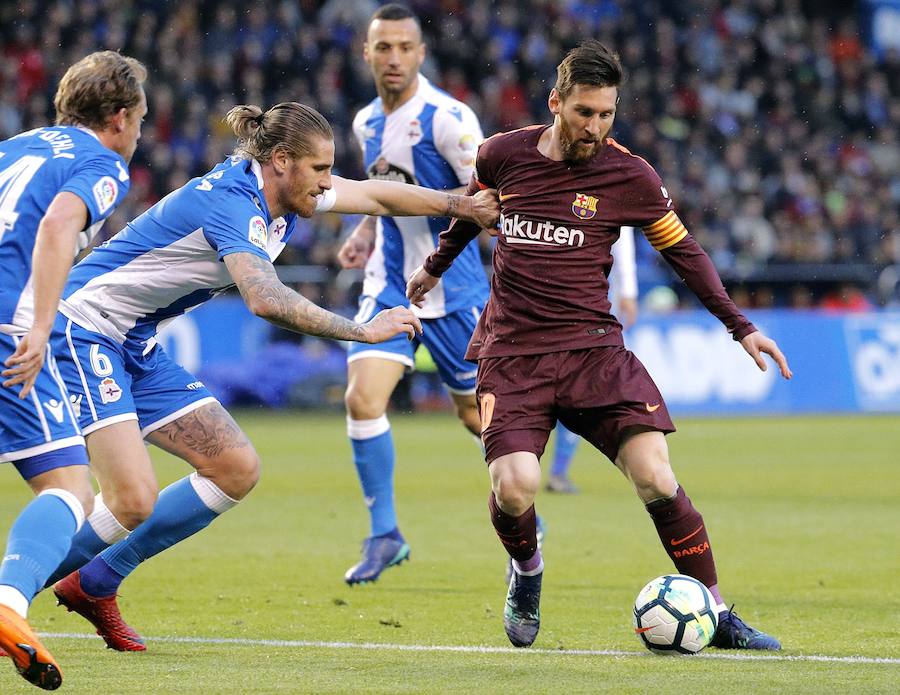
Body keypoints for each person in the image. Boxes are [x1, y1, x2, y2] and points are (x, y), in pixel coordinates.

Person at [41, 101, 499, 652]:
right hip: (84, 329)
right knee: (130, 499)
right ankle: (9, 599)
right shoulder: (234, 204)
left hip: (131, 342)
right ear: (281, 160)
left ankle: (97, 581)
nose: (329, 184)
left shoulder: (283, 189)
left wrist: (459, 205)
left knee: (234, 468)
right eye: (321, 170)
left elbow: (376, 195)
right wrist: (363, 330)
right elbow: (263, 297)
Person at [407, 41, 792, 651]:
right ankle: (527, 570)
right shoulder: (501, 155)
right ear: (555, 102)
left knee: (657, 477)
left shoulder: (630, 175)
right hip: (512, 353)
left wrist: (740, 326)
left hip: (593, 352)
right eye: (584, 112)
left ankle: (716, 613)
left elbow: (683, 253)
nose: (595, 127)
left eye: (607, 114)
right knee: (515, 487)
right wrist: (433, 268)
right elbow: (471, 213)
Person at [0, 51, 146, 690]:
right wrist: (37, 326)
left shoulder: (15, 146)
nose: (140, 132)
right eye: (140, 119)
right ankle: (7, 606)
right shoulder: (100, 162)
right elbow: (60, 223)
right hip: (9, 329)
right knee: (68, 487)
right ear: (118, 117)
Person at [335, 4, 489, 585]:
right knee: (361, 398)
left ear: (421, 54)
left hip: (456, 294)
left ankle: (522, 517)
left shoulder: (450, 119)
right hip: (387, 287)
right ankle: (384, 534)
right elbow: (384, 193)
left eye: (404, 47)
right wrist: (366, 229)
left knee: (481, 420)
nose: (393, 57)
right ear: (368, 54)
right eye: (383, 48)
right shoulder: (363, 122)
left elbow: (486, 194)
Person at [546, 226, 639, 495]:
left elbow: (623, 236)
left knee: (574, 389)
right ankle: (547, 471)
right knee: (575, 389)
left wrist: (628, 291)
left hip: (588, 305)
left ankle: (553, 471)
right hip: (578, 307)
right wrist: (629, 292)